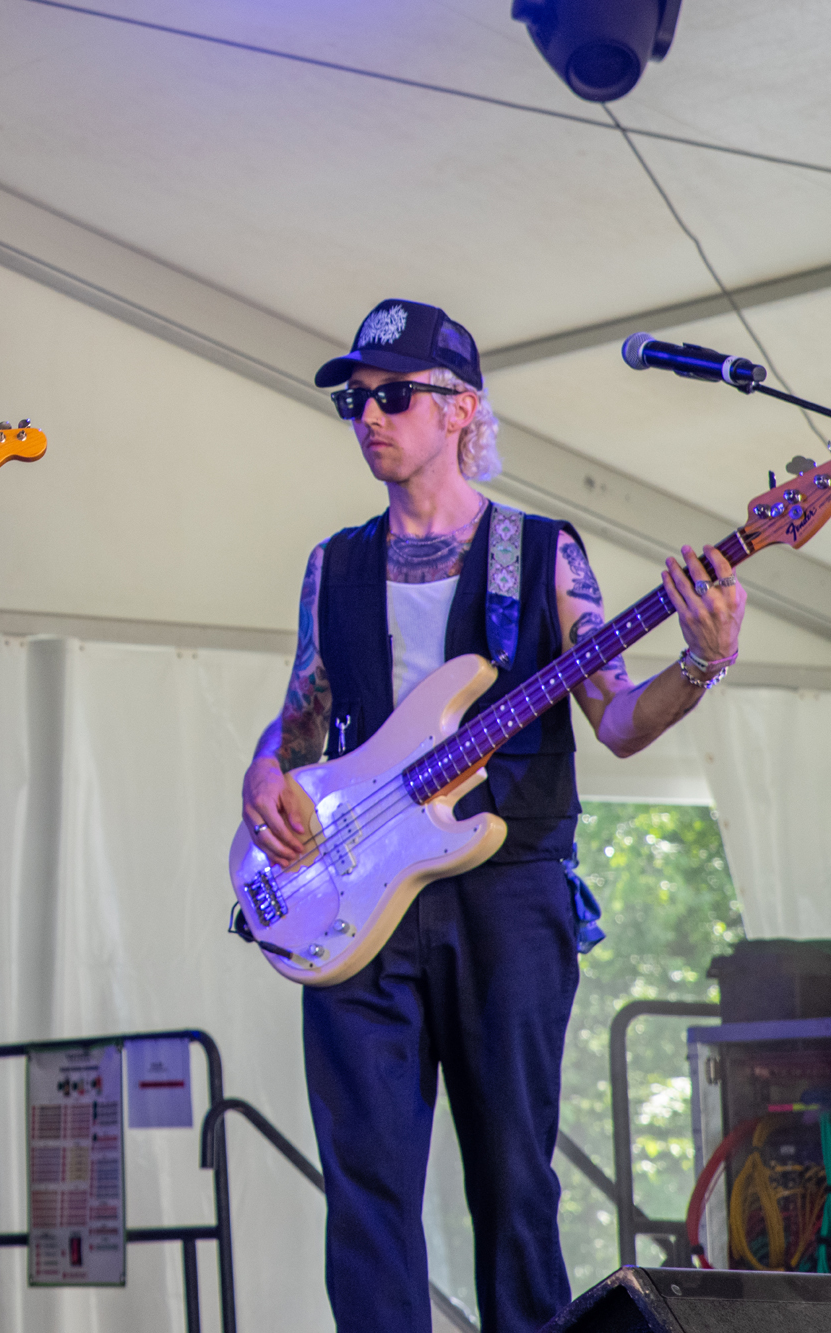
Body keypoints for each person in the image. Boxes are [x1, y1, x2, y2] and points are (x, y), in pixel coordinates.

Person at [237, 300, 745, 1331]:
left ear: (461, 407)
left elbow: (616, 719)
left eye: (393, 396)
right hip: (355, 894)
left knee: (514, 1181)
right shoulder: (332, 563)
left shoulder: (541, 552)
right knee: (365, 1188)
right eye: (353, 400)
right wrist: (261, 771)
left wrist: (701, 660)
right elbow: (303, 716)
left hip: (505, 893)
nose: (368, 416)